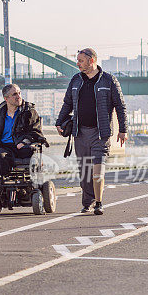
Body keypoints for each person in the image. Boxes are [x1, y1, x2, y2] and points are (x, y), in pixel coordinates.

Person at [55, 48, 127, 215]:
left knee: (97, 171)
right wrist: (60, 123)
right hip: (80, 133)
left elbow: (120, 106)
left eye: (81, 60)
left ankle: (99, 203)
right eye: (78, 60)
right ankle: (88, 201)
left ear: (92, 60)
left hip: (100, 134)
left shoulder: (109, 81)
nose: (77, 63)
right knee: (85, 173)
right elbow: (67, 104)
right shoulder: (75, 80)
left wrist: (123, 130)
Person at [0, 83, 47, 178]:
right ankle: (6, 182)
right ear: (6, 98)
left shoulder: (29, 112)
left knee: (25, 153)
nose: (18, 97)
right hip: (5, 148)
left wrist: (25, 142)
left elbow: (36, 132)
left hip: (23, 147)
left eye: (19, 93)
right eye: (14, 94)